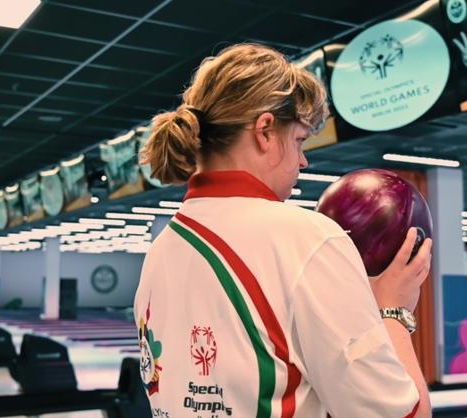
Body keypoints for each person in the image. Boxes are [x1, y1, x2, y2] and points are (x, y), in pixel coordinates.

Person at [135, 43, 432, 418]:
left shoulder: (160, 252)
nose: (303, 160)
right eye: (299, 140)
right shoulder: (306, 239)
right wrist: (393, 311)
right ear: (265, 131)